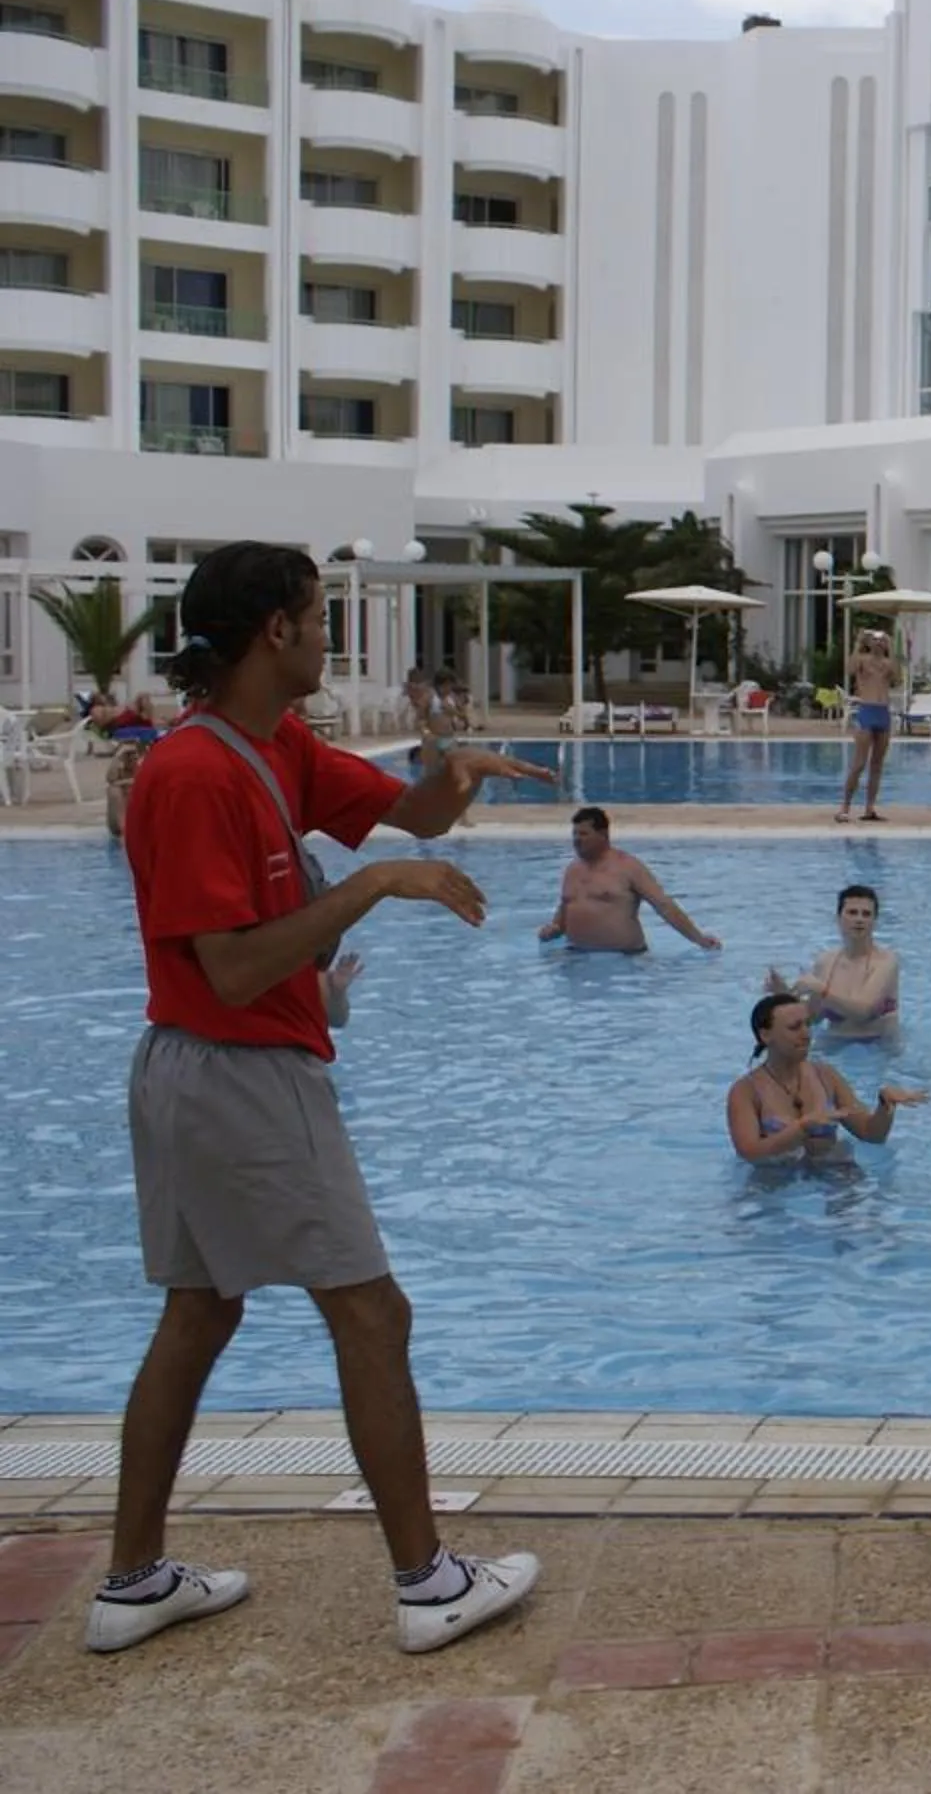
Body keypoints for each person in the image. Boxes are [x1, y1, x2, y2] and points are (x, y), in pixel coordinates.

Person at [97, 540, 556, 1657]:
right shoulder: (193, 774)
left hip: (203, 1070)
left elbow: (418, 816)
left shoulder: (277, 744)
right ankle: (428, 1583)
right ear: (275, 632)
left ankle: (133, 1581)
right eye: (316, 618)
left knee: (200, 1312)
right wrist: (372, 886)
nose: (326, 637)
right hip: (239, 1069)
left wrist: (453, 773)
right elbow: (235, 968)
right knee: (371, 1313)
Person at [727, 991, 925, 1163]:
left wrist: (885, 1106)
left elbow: (871, 1134)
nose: (806, 1034)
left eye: (808, 1024)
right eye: (794, 1027)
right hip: (775, 1181)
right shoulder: (746, 1091)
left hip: (833, 1174)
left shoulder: (826, 1076)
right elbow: (749, 1153)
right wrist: (802, 1128)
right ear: (765, 1035)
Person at [538, 807, 720, 954]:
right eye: (575, 834)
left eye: (584, 834)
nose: (577, 840)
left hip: (623, 959)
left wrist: (699, 939)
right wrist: (553, 929)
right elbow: (566, 908)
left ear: (603, 834)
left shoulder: (628, 867)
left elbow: (664, 905)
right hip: (576, 956)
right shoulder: (572, 870)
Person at [766, 883, 901, 1042]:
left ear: (874, 921)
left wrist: (821, 990)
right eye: (852, 912)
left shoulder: (886, 962)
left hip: (878, 1046)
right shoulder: (826, 962)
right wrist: (783, 994)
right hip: (835, 1044)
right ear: (838, 918)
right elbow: (812, 1018)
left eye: (866, 914)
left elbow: (863, 1012)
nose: (859, 919)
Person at [837, 627, 899, 823]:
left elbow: (897, 678)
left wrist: (892, 648)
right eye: (875, 640)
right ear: (869, 643)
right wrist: (858, 642)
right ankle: (845, 807)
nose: (878, 642)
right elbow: (849, 669)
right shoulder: (862, 660)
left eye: (881, 640)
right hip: (867, 710)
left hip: (883, 712)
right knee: (859, 764)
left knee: (877, 765)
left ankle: (870, 808)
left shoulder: (888, 664)